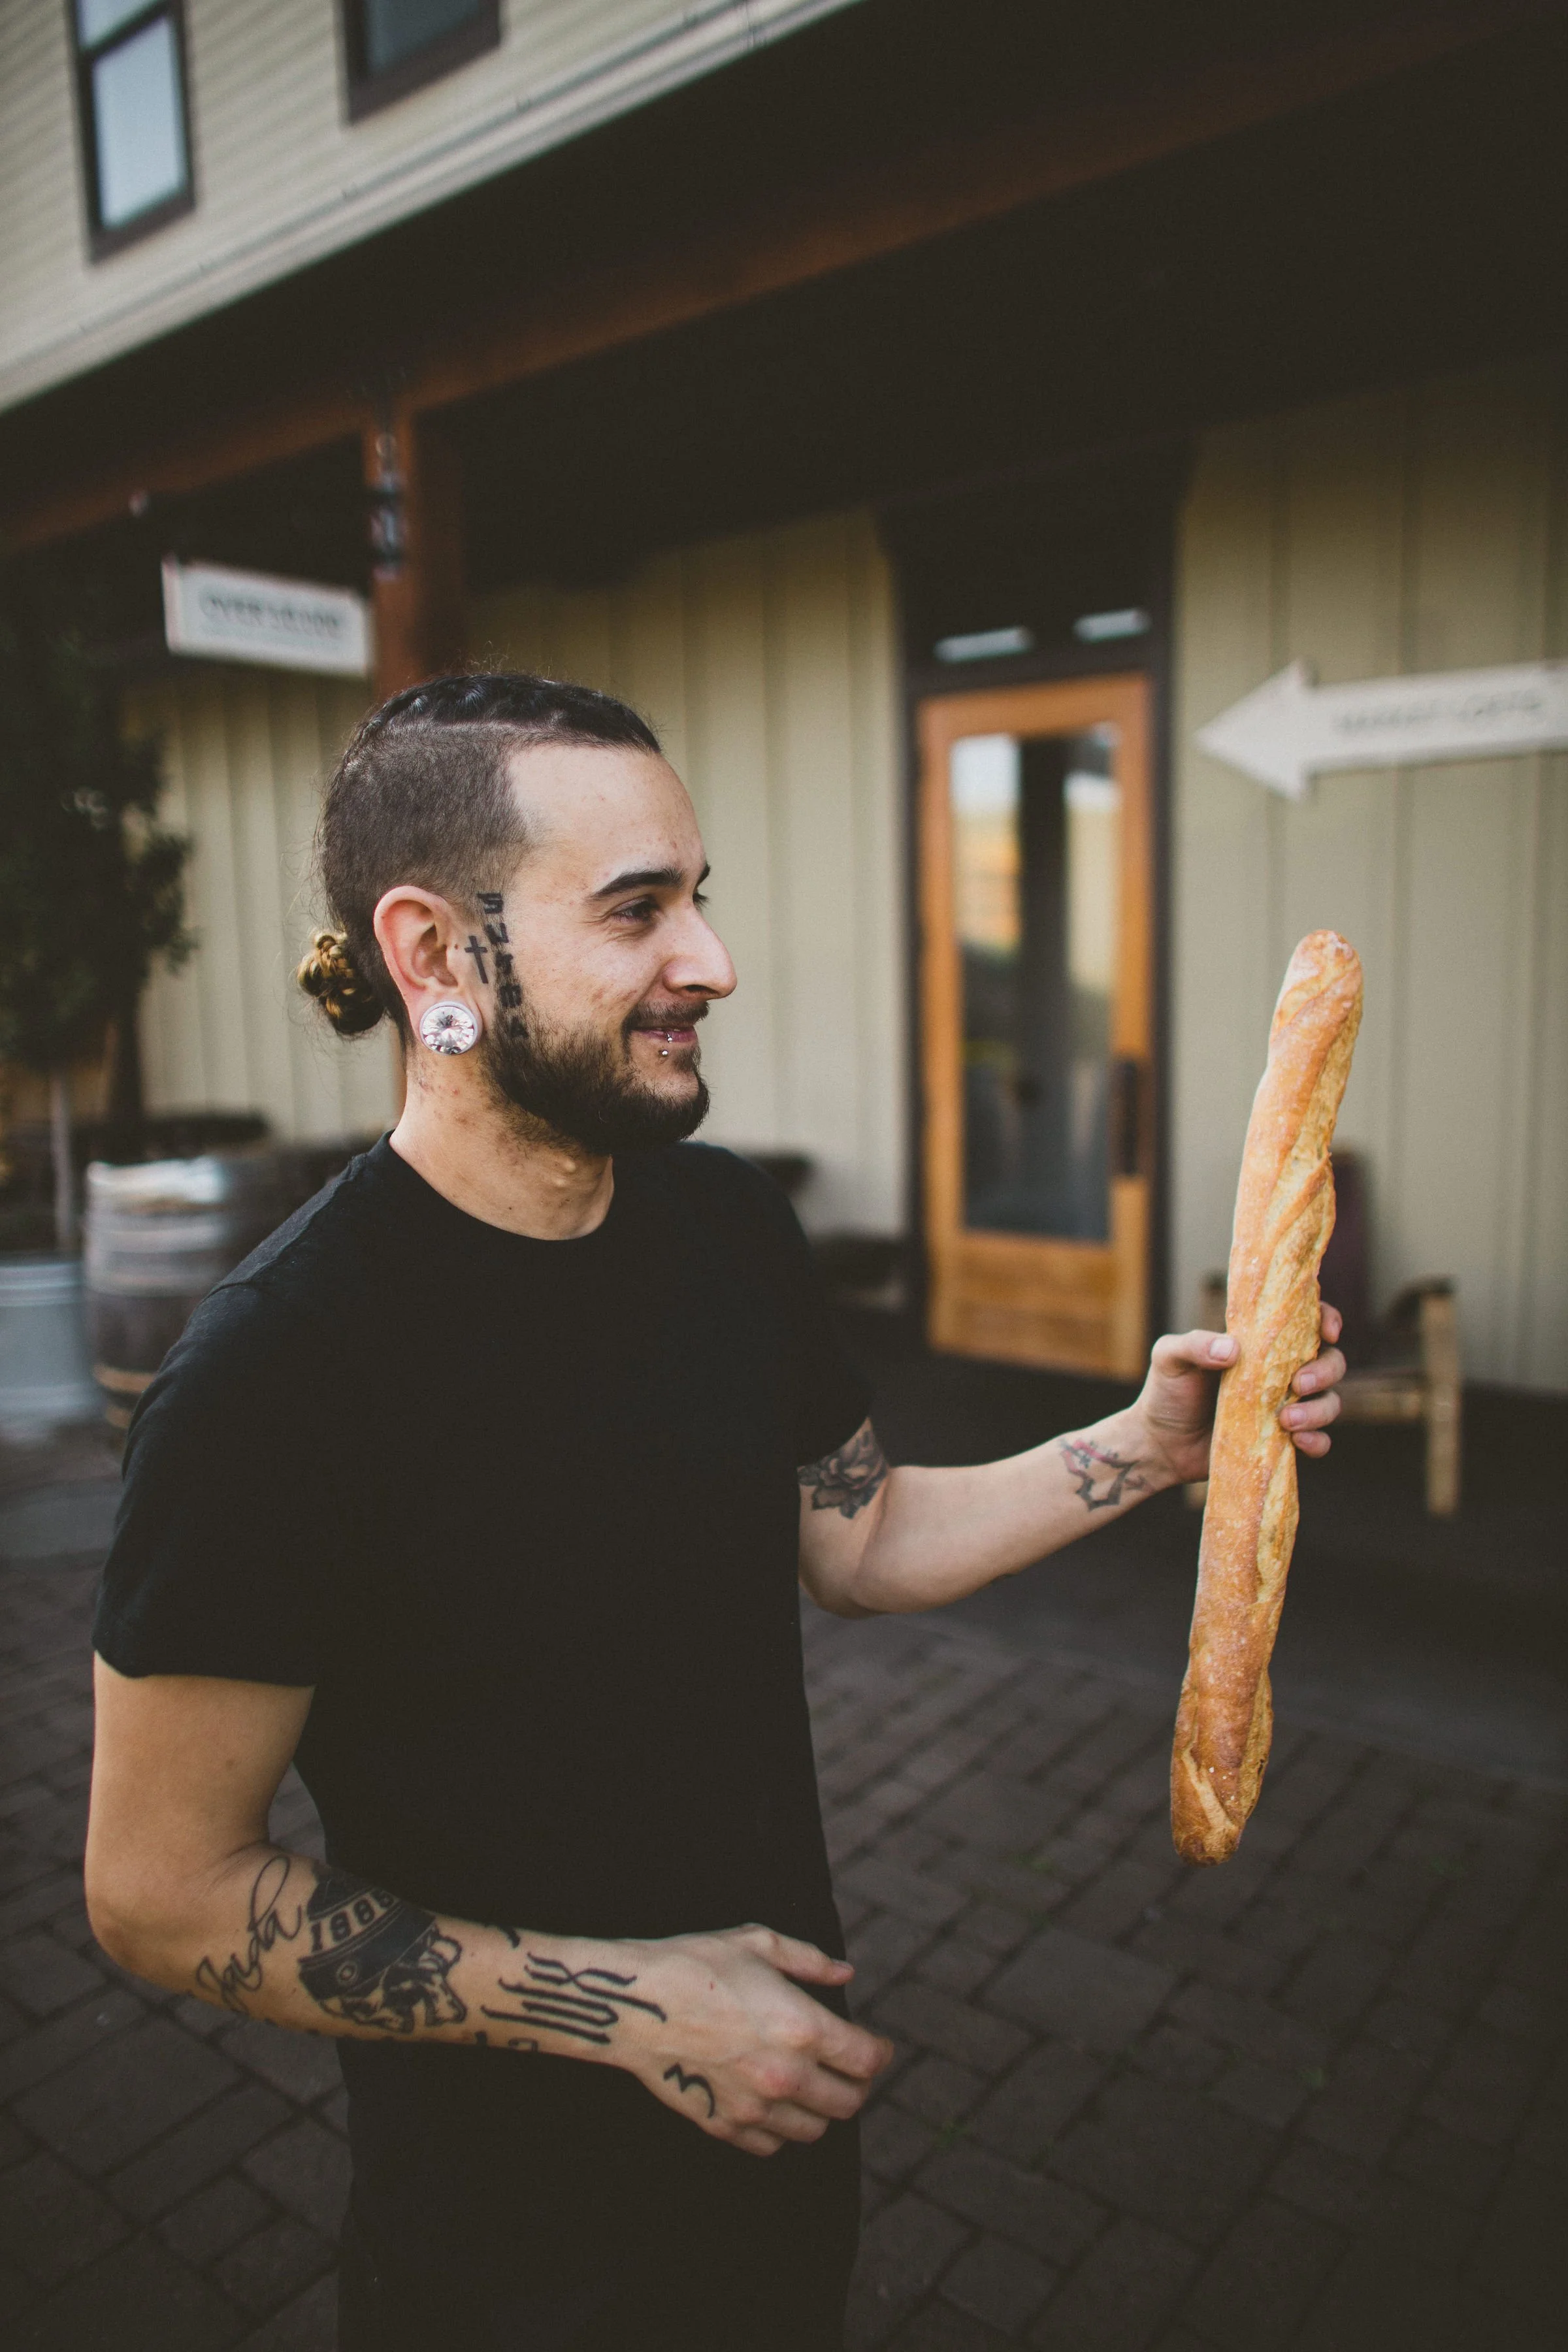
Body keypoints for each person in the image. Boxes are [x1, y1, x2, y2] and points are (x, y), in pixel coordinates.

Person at [85, 674, 1345, 2351]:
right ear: (435, 954)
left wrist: (1153, 1444)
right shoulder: (275, 1377)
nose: (712, 963)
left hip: (779, 2132)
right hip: (510, 2250)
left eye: (702, 897)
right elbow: (159, 1892)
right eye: (637, 911)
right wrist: (627, 2006)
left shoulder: (726, 1228)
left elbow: (863, 1534)